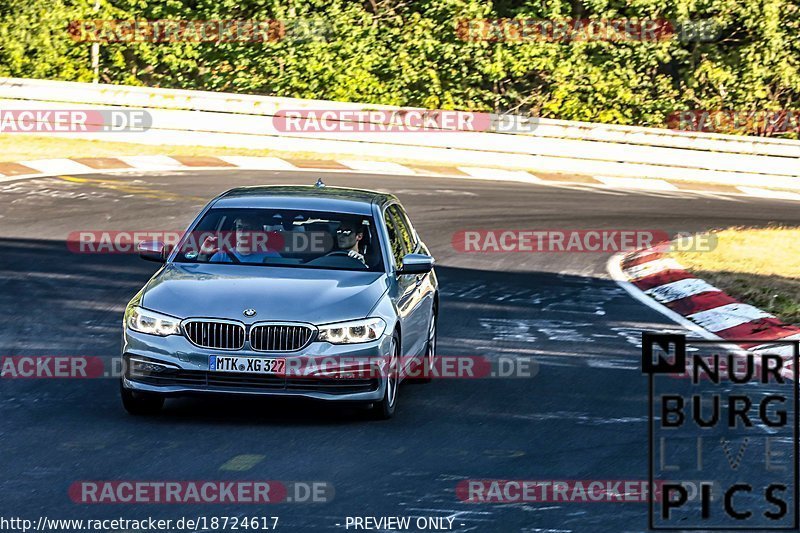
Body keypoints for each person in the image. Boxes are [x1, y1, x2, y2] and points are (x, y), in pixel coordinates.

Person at [200, 215, 280, 263]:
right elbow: (203, 276)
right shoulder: (221, 256)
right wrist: (202, 255)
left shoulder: (272, 256)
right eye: (239, 227)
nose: (242, 231)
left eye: (247, 228)